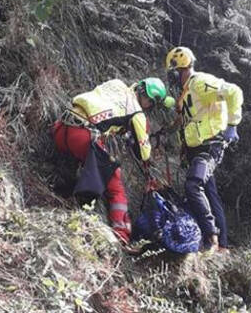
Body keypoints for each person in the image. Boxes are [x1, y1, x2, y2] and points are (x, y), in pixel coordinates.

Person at [52, 77, 172, 244]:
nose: (148, 106)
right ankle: (121, 234)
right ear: (148, 99)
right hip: (82, 135)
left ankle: (62, 192)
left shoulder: (116, 84)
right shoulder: (138, 113)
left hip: (61, 128)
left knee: (86, 161)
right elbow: (144, 152)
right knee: (115, 183)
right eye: (150, 103)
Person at [164, 46, 243, 253]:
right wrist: (167, 134)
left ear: (178, 70)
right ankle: (222, 244)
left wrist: (232, 124)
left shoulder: (200, 83)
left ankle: (212, 238)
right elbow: (183, 120)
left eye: (173, 74)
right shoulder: (186, 92)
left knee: (193, 186)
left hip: (210, 145)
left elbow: (234, 91)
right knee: (209, 191)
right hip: (195, 147)